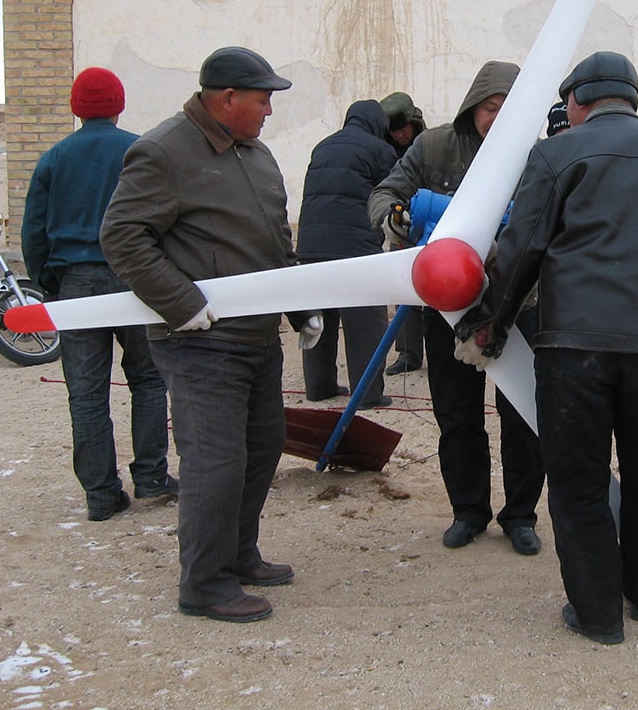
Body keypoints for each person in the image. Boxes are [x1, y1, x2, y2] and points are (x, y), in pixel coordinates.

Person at [454, 51, 638, 645]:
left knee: (578, 479)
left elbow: (522, 245)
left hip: (574, 345)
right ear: (630, 99)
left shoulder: (556, 154)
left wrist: (490, 320)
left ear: (576, 101)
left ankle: (598, 614)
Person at [100, 46, 321, 624]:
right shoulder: (163, 150)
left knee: (262, 447)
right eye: (263, 98)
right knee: (215, 460)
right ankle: (204, 582)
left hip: (256, 337)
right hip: (199, 340)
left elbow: (274, 244)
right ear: (226, 99)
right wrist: (182, 304)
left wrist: (299, 309)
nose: (270, 109)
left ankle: (238, 554)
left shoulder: (257, 155)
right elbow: (122, 237)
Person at [369, 61, 545, 556]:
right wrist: (396, 221)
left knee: (522, 414)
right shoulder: (434, 146)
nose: (499, 117)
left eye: (510, 110)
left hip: (520, 304)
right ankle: (468, 511)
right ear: (475, 104)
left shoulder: (539, 159)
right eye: (492, 107)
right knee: (456, 414)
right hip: (447, 305)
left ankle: (521, 516)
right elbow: (386, 193)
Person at [21, 66, 177, 523]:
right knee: (148, 380)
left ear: (76, 107)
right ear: (119, 103)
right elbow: (166, 215)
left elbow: (33, 231)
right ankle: (151, 476)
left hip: (75, 283)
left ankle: (101, 494)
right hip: (136, 278)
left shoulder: (54, 158)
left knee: (86, 394)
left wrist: (50, 284)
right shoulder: (139, 149)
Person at [296, 99, 398, 408]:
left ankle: (319, 386)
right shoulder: (380, 150)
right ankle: (368, 394)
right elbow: (390, 195)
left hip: (311, 245)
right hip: (355, 247)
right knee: (366, 322)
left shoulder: (322, 146)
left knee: (317, 318)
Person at [379, 91, 427, 376]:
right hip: (401, 227)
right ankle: (408, 353)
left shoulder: (428, 147)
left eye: (402, 129)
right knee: (404, 290)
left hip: (429, 223)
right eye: (393, 131)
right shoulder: (383, 151)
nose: (399, 135)